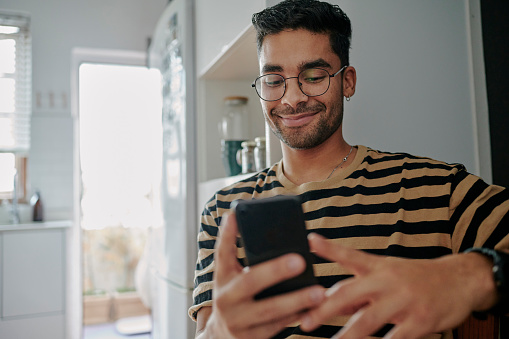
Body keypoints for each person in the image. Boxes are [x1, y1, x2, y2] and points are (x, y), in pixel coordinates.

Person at [189, 1, 509, 338]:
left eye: (313, 76)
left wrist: (465, 278)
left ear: (348, 82)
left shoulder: (433, 188)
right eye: (273, 79)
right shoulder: (223, 211)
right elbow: (205, 331)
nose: (292, 98)